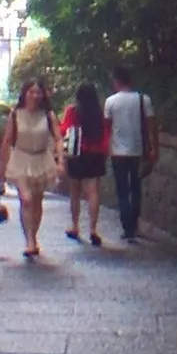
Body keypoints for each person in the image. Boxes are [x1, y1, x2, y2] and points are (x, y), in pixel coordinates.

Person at [0, 78, 62, 259]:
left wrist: (60, 161)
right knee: (26, 199)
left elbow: (57, 137)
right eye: (31, 91)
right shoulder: (15, 115)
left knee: (37, 201)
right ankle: (29, 241)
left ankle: (34, 235)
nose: (34, 95)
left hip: (42, 158)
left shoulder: (48, 115)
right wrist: (1, 167)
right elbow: (8, 140)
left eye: (38, 92)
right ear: (25, 94)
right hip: (21, 158)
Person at [104, 62, 158, 243]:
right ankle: (134, 224)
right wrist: (153, 147)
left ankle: (127, 227)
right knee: (135, 188)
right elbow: (151, 124)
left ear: (116, 81)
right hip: (137, 150)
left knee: (122, 189)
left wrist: (106, 148)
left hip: (117, 151)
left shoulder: (111, 101)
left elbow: (107, 127)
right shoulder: (144, 99)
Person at [62, 79, 110, 246]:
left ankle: (75, 226)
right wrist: (104, 152)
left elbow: (64, 130)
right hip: (96, 154)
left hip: (77, 154)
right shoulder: (99, 112)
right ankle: (93, 229)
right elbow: (106, 134)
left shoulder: (72, 111)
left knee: (75, 192)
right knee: (93, 192)